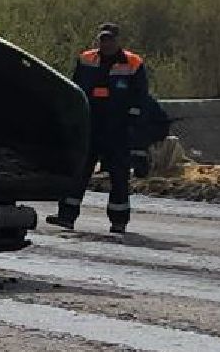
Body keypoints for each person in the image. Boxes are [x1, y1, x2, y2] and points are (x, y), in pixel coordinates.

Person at [47, 22, 148, 233]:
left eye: (110, 39)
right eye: (103, 39)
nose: (106, 44)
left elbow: (140, 99)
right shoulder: (86, 59)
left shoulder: (133, 63)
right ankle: (66, 216)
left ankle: (119, 221)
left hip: (117, 130)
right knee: (78, 172)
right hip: (89, 127)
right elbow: (74, 90)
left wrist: (133, 130)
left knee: (119, 177)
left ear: (118, 40)